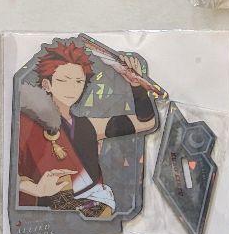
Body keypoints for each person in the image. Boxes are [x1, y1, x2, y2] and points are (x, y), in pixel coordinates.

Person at [15, 38, 157, 216]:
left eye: (78, 81)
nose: (72, 89)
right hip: (46, 213)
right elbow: (10, 171)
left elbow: (146, 122)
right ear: (47, 84)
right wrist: (36, 189)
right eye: (64, 80)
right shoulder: (28, 123)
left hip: (93, 207)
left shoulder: (87, 125)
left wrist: (137, 87)